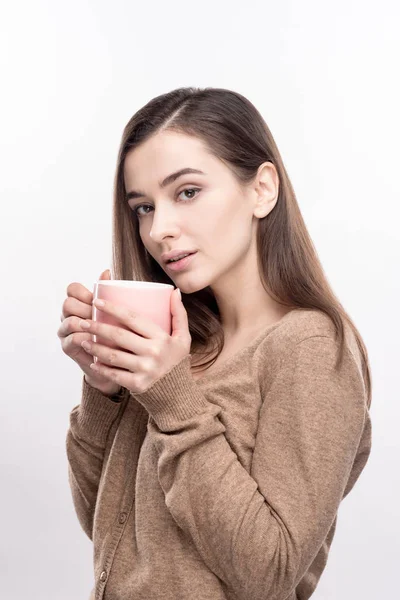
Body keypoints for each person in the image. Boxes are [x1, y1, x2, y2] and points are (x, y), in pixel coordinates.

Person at [58, 87, 372, 600]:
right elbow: (107, 531)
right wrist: (103, 389)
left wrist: (172, 400)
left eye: (186, 192)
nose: (159, 230)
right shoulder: (180, 346)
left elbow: (269, 573)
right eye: (142, 207)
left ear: (262, 189)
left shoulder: (311, 348)